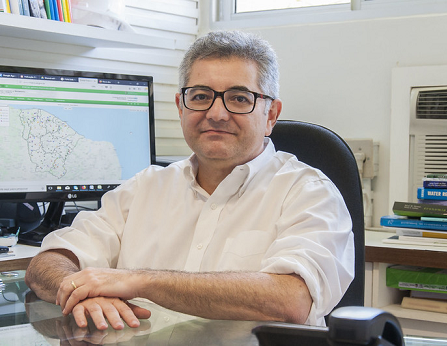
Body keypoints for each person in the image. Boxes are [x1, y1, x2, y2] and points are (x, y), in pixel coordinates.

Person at [25, 30, 354, 330]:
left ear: (270, 115)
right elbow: (49, 262)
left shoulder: (309, 194)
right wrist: (81, 292)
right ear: (181, 107)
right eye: (200, 96)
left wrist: (139, 281)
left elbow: (291, 300)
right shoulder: (144, 188)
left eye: (239, 98)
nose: (216, 113)